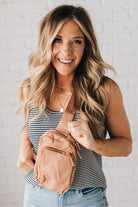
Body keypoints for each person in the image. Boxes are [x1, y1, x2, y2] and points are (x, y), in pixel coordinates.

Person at [17, 5, 132, 207]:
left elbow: (125, 145)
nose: (66, 51)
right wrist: (24, 145)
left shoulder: (104, 89)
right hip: (36, 195)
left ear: (86, 45)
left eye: (76, 41)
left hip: (87, 198)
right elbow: (31, 125)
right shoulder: (31, 88)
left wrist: (94, 144)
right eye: (58, 40)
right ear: (47, 42)